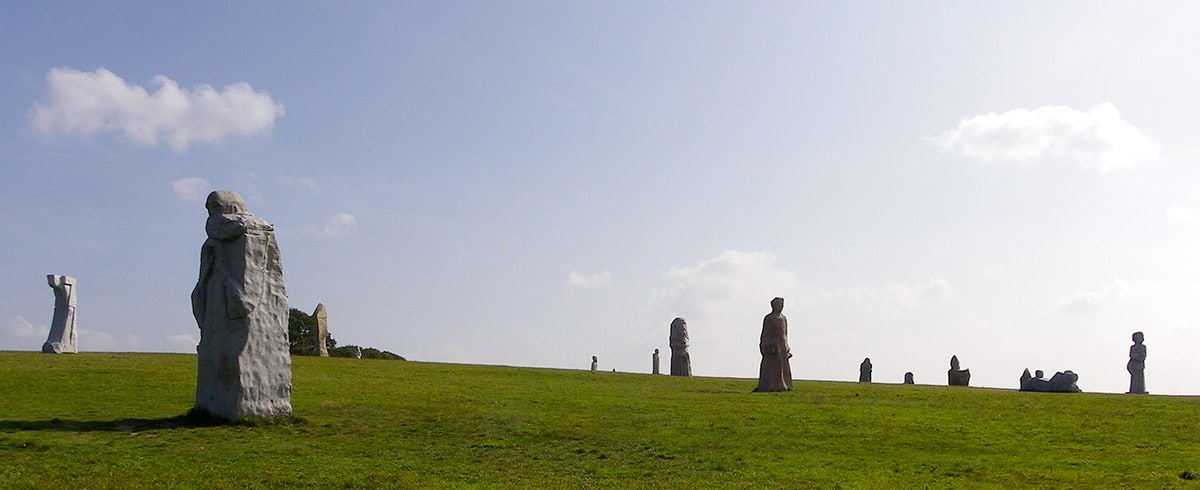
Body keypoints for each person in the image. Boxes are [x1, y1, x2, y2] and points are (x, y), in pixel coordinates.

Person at [754, 297, 793, 392]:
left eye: (782, 305)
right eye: (779, 304)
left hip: (782, 345)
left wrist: (787, 346)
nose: (781, 306)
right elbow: (765, 334)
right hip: (773, 345)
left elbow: (785, 334)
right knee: (772, 366)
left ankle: (784, 384)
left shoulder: (784, 318)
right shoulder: (769, 318)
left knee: (783, 366)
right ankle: (770, 385)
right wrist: (768, 344)